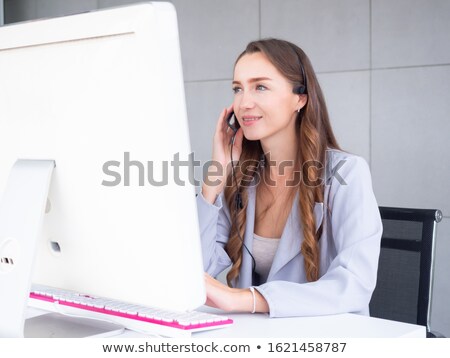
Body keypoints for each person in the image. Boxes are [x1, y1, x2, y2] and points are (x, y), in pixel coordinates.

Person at [197, 38, 382, 317]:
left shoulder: (346, 173)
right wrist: (215, 177)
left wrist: (244, 299)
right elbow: (195, 270)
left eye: (260, 86)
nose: (244, 102)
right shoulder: (243, 180)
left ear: (300, 98)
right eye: (238, 89)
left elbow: (354, 284)